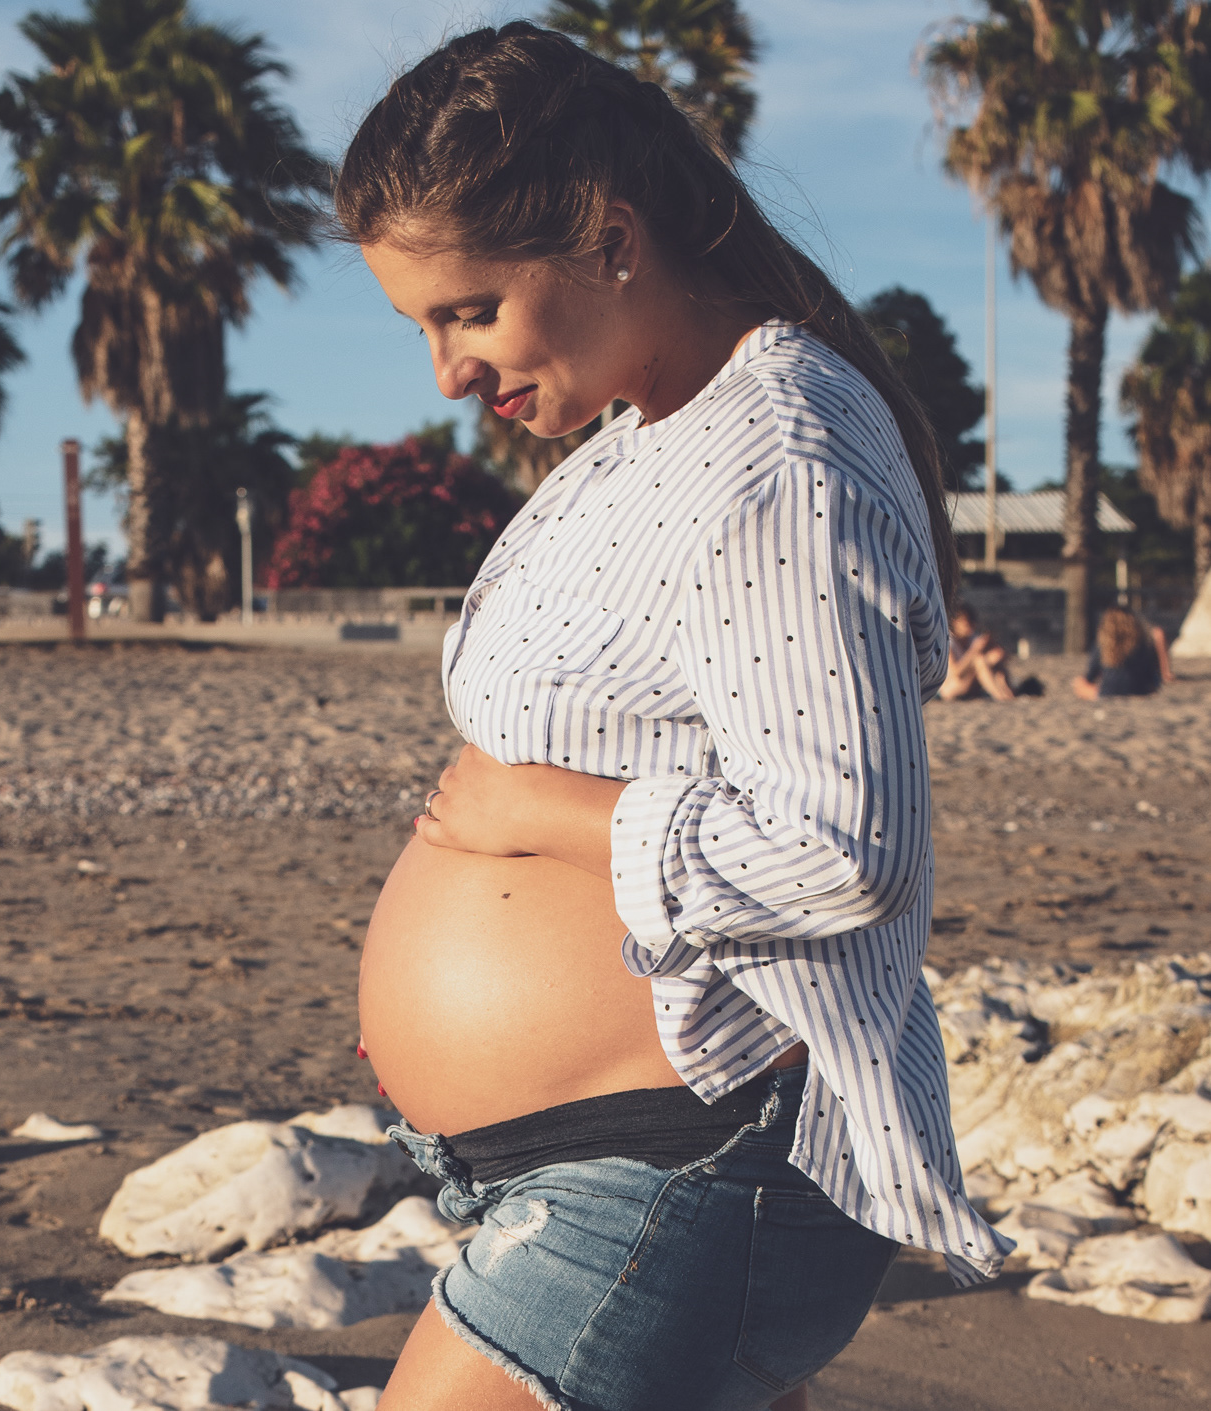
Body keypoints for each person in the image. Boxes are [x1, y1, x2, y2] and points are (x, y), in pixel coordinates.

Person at [338, 25, 1011, 1411]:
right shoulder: (644, 435)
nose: (446, 372)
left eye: (469, 310)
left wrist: (537, 817)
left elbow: (844, 849)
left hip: (686, 1167)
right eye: (419, 327)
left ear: (608, 237)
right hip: (617, 1159)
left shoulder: (777, 454)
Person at [1073, 606, 1175, 700]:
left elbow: (1090, 676)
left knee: (1079, 683)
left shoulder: (1103, 646)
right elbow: (1152, 673)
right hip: (1142, 690)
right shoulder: (1142, 644)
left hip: (1108, 691)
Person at [938, 600, 1015, 700]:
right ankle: (1000, 696)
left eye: (971, 622)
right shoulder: (949, 642)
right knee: (979, 660)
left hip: (970, 684)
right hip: (952, 687)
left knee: (996, 668)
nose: (970, 626)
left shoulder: (973, 637)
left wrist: (994, 653)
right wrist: (974, 650)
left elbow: (1000, 655)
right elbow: (956, 673)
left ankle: (1008, 694)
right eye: (966, 623)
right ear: (955, 623)